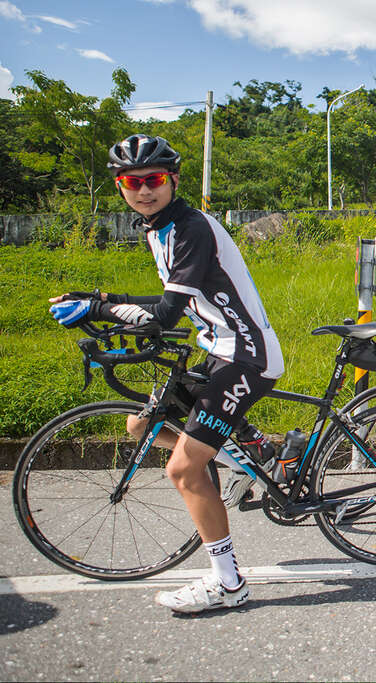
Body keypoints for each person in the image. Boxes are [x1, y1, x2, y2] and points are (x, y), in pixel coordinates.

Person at [48, 134, 284, 612]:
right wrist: (103, 300)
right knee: (142, 424)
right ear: (119, 186)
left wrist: (98, 308)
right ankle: (253, 462)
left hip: (245, 355)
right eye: (131, 182)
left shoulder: (190, 227)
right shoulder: (159, 229)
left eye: (154, 180)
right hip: (216, 347)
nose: (143, 190)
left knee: (183, 468)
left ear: (173, 180)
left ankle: (229, 583)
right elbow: (165, 301)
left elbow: (166, 314)